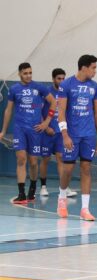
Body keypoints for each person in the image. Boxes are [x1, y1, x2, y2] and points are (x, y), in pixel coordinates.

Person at [0, 62, 56, 203]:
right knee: (21, 159)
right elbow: (8, 110)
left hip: (35, 129)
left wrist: (46, 122)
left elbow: (54, 102)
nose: (28, 75)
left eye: (30, 72)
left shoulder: (39, 87)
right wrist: (3, 131)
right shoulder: (14, 89)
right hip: (20, 129)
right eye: (25, 73)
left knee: (33, 162)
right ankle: (21, 193)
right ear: (19, 74)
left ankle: (32, 190)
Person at [57, 55, 97, 221]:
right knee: (68, 169)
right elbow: (61, 112)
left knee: (86, 168)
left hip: (89, 135)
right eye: (93, 67)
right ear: (84, 67)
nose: (95, 71)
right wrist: (65, 135)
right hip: (72, 134)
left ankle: (85, 208)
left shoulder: (95, 87)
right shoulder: (66, 85)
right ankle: (62, 199)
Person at [39, 68, 77, 197]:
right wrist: (45, 126)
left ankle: (64, 188)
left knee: (61, 158)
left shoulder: (66, 91)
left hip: (61, 132)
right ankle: (43, 187)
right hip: (47, 132)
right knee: (46, 159)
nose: (61, 81)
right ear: (53, 79)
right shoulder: (47, 92)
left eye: (63, 78)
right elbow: (38, 111)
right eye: (58, 78)